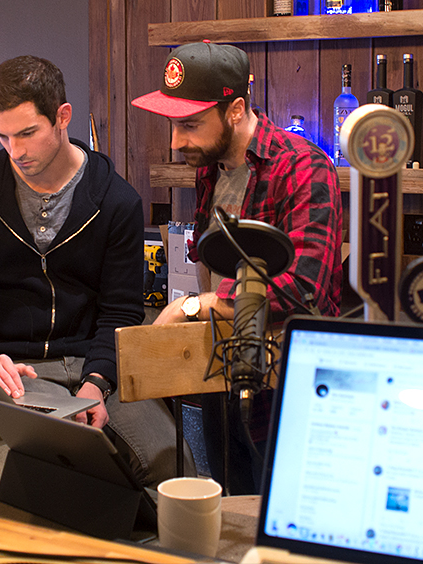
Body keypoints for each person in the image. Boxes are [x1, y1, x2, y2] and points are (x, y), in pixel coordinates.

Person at [0, 55, 195, 488]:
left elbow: (121, 311)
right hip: (9, 367)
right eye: (2, 136)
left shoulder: (117, 201)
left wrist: (97, 382)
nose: (15, 151)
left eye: (27, 133)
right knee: (15, 476)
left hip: (93, 359)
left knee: (171, 468)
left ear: (62, 117)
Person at [132, 42, 343, 493]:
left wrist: (196, 307)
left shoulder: (304, 167)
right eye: (173, 124)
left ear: (235, 109)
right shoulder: (210, 168)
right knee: (230, 517)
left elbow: (303, 288)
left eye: (190, 125)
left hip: (286, 386)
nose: (176, 141)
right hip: (221, 373)